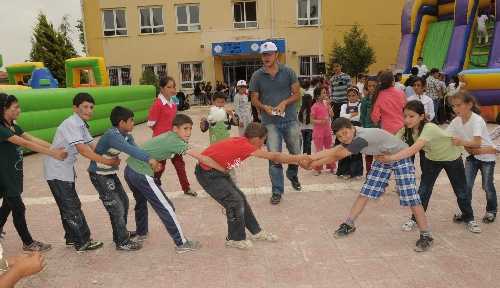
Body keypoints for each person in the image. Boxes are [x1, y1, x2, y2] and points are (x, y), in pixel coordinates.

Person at [306, 117, 434, 252]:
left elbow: (337, 155)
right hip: (382, 158)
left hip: (400, 157)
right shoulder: (352, 136)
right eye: (339, 136)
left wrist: (311, 163)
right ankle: (349, 224)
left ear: (352, 128)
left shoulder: (362, 138)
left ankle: (426, 235)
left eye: (345, 133)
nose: (343, 137)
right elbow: (333, 151)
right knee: (365, 192)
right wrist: (309, 159)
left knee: (411, 198)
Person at [195, 123, 311, 249]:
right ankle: (235, 239)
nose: (263, 144)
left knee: (240, 198)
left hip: (218, 171)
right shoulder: (246, 146)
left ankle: (256, 232)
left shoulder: (243, 141)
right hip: (208, 173)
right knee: (235, 201)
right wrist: (298, 158)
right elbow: (275, 156)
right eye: (263, 140)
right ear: (256, 139)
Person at [124, 114, 226, 253]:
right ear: (175, 129)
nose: (189, 132)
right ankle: (181, 243)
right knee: (167, 207)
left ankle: (141, 232)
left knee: (141, 202)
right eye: (185, 129)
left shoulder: (170, 136)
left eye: (190, 128)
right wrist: (222, 168)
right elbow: (201, 157)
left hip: (130, 169)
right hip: (140, 173)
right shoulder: (175, 141)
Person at [377, 100, 480, 233]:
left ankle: (469, 218)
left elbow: (414, 149)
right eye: (405, 116)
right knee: (424, 190)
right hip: (432, 160)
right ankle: (415, 219)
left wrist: (390, 158)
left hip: (452, 158)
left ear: (422, 116)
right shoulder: (405, 130)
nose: (407, 120)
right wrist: (379, 150)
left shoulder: (429, 128)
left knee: (460, 190)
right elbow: (392, 143)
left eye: (411, 116)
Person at [44, 93, 118, 252]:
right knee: (72, 206)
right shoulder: (71, 124)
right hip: (57, 170)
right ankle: (82, 241)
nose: (89, 110)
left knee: (67, 204)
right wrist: (105, 161)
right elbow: (83, 149)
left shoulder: (81, 124)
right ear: (75, 108)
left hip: (63, 170)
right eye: (85, 107)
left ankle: (71, 237)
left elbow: (92, 144)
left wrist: (108, 153)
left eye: (91, 107)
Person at [88, 106, 161, 251]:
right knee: (117, 207)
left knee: (124, 202)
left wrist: (152, 161)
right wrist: (149, 159)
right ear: (122, 123)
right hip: (99, 175)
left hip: (109, 174)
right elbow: (130, 150)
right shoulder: (112, 135)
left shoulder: (127, 135)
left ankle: (121, 234)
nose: (133, 123)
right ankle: (122, 241)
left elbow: (137, 150)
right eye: (131, 121)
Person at [0, 93, 66, 252]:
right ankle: (28, 242)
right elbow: (24, 143)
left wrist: (53, 148)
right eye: (15, 107)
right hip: (4, 175)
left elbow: (31, 138)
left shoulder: (13, 126)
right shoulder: (1, 129)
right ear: (4, 109)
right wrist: (53, 154)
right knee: (18, 207)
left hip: (13, 172)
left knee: (9, 204)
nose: (19, 110)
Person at [249, 41, 302, 205]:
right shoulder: (257, 76)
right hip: (269, 123)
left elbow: (297, 94)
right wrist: (263, 107)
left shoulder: (288, 72)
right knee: (274, 157)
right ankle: (277, 191)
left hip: (290, 119)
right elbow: (254, 99)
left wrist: (284, 103)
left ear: (276, 55)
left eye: (269, 54)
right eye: (264, 54)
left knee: (295, 151)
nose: (266, 57)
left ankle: (292, 172)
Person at [447, 91, 497, 223]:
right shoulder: (456, 121)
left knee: (487, 186)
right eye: (453, 106)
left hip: (487, 157)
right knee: (466, 186)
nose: (455, 109)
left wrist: (461, 142)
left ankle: (491, 211)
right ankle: (465, 212)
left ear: (469, 105)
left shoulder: (477, 120)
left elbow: (477, 143)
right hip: (471, 156)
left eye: (458, 105)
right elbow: (445, 136)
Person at [147, 77, 195, 197]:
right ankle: (153, 188)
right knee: (159, 167)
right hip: (162, 143)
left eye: (173, 87)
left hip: (174, 140)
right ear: (161, 88)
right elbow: (151, 124)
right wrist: (162, 135)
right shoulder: (157, 104)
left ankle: (186, 188)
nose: (172, 89)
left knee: (180, 165)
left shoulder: (173, 102)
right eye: (169, 87)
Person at [337, 86, 363, 179]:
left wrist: (348, 116)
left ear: (357, 95)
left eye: (353, 95)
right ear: (347, 96)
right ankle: (344, 172)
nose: (352, 97)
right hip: (346, 129)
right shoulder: (344, 105)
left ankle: (357, 172)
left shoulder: (360, 104)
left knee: (356, 150)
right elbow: (341, 116)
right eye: (349, 96)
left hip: (357, 128)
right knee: (345, 150)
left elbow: (359, 116)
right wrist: (352, 114)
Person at [311, 86, 335, 176]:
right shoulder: (314, 106)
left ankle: (331, 167)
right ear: (317, 96)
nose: (326, 94)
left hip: (327, 130)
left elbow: (332, 115)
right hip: (318, 131)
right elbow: (311, 120)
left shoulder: (326, 104)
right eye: (323, 93)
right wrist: (321, 121)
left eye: (326, 92)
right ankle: (318, 168)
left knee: (329, 149)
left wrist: (329, 106)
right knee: (319, 150)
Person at [359, 76, 378, 175]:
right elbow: (362, 116)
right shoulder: (365, 100)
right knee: (369, 154)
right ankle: (369, 174)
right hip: (368, 129)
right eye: (369, 86)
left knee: (380, 154)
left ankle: (379, 175)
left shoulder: (381, 99)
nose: (371, 88)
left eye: (374, 86)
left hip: (379, 130)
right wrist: (363, 129)